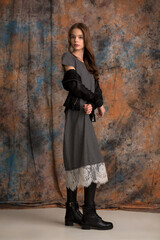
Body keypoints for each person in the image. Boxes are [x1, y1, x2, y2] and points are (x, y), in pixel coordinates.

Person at [61, 22, 113, 230]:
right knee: (90, 159)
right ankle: (89, 214)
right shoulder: (68, 58)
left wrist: (98, 104)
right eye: (73, 36)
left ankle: (71, 211)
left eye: (80, 37)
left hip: (85, 115)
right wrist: (92, 101)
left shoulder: (89, 62)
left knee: (79, 159)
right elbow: (74, 85)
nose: (75, 40)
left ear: (85, 39)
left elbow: (95, 86)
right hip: (76, 114)